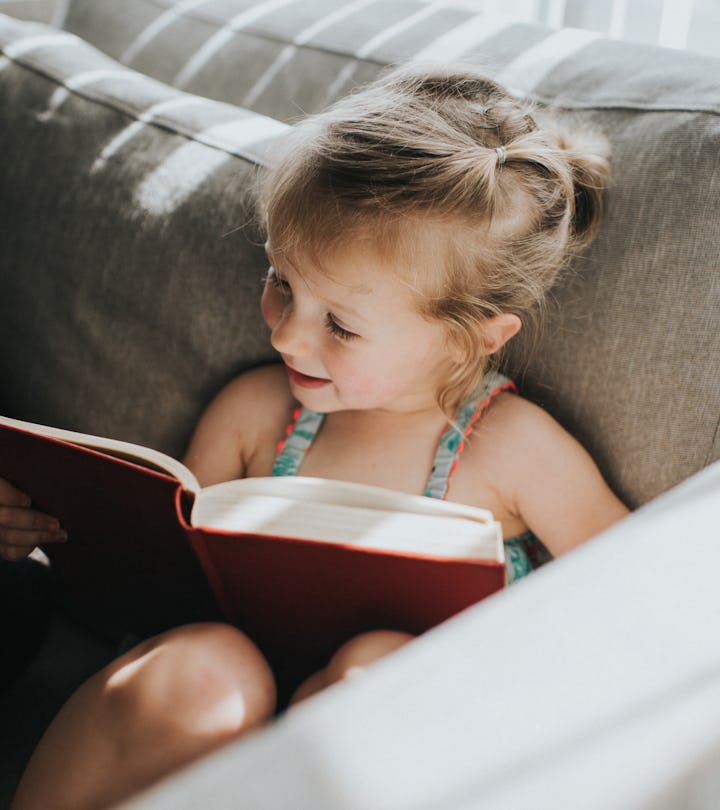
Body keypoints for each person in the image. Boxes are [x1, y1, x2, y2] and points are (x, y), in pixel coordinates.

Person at [4, 66, 628, 810]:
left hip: (372, 759)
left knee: (378, 668)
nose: (289, 337)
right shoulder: (256, 412)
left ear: (469, 340)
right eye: (281, 281)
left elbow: (642, 599)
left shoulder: (514, 449)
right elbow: (161, 582)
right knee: (208, 663)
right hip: (202, 732)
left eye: (341, 325)